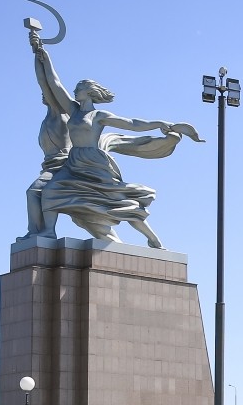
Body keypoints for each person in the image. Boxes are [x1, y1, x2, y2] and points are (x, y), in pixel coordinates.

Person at [28, 29, 202, 248]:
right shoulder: (73, 110)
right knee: (52, 191)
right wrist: (40, 53)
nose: (75, 89)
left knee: (117, 201)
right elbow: (53, 83)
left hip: (94, 163)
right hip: (74, 162)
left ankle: (152, 237)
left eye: (80, 87)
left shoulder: (99, 116)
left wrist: (158, 124)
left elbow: (132, 124)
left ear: (90, 92)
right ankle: (48, 232)